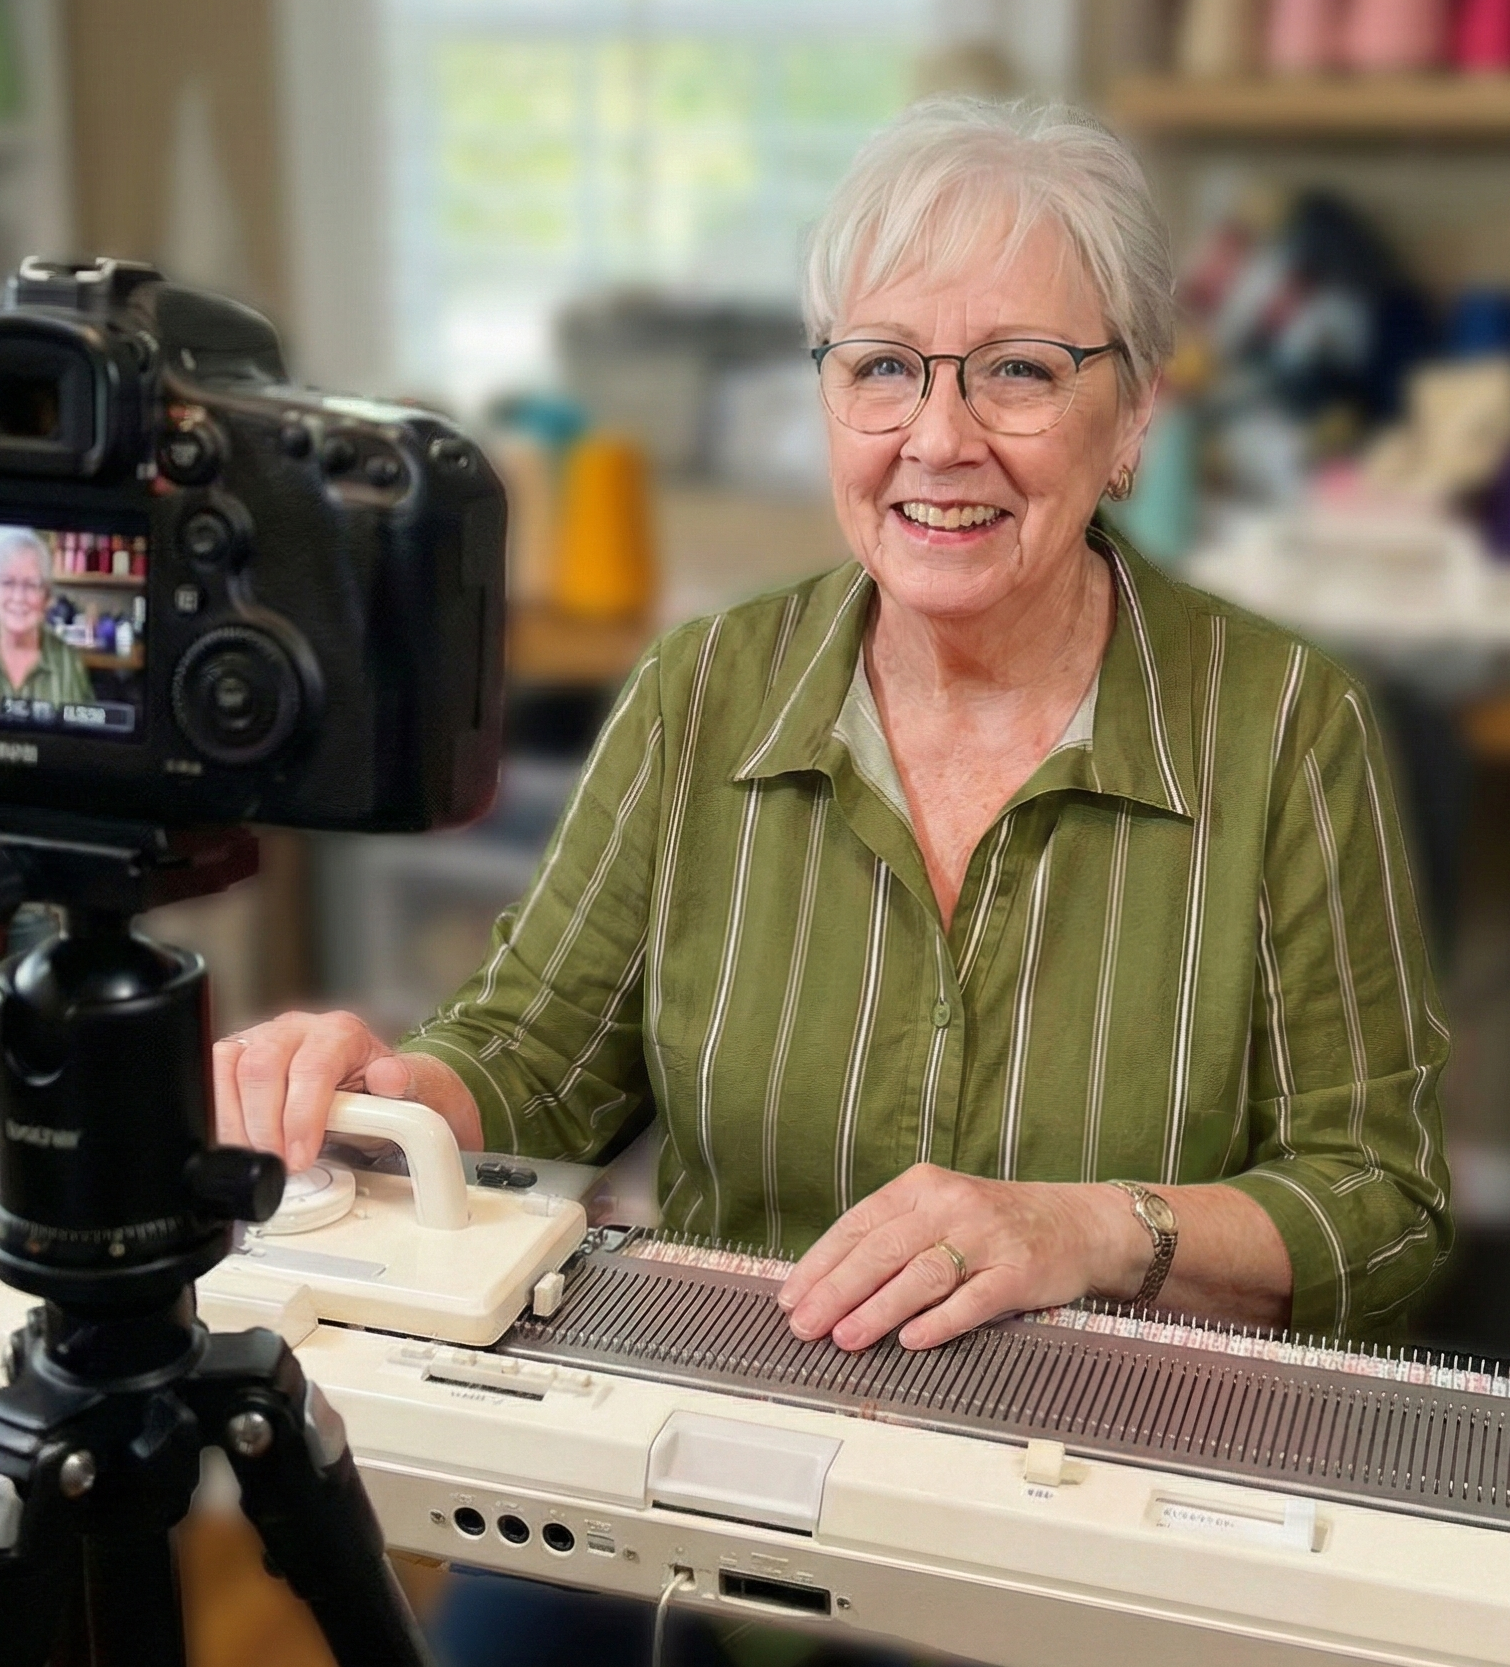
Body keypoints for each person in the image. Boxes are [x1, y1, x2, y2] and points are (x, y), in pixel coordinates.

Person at [217, 95, 1450, 1361]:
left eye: (1018, 369)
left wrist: (1089, 1229)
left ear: (1134, 412)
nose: (936, 437)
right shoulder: (702, 691)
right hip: (712, 1429)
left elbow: (1382, 1210)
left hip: (1097, 1471)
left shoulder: (1287, 725)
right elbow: (535, 1056)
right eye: (882, 367)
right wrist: (383, 1093)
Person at [0, 529, 92, 709]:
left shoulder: (68, 659)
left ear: (47, 597)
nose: (18, 598)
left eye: (31, 585)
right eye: (7, 582)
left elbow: (85, 732)